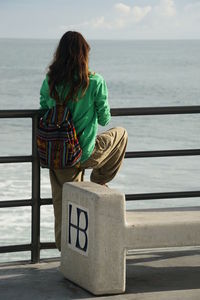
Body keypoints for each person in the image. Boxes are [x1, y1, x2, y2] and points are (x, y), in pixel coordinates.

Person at [39, 31, 128, 251]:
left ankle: (66, 252)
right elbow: (105, 118)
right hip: (86, 153)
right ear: (84, 54)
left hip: (60, 153)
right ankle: (100, 178)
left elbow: (43, 109)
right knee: (121, 134)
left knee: (63, 205)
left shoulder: (51, 80)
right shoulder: (95, 81)